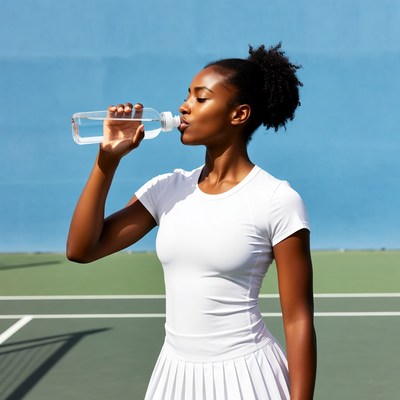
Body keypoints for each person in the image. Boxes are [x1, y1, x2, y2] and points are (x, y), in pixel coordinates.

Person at [67, 43, 317, 400]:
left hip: (248, 377)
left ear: (238, 114)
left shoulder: (277, 200)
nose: (184, 106)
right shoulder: (166, 189)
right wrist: (106, 163)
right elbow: (81, 249)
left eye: (201, 99)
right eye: (187, 96)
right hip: (174, 376)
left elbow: (298, 320)